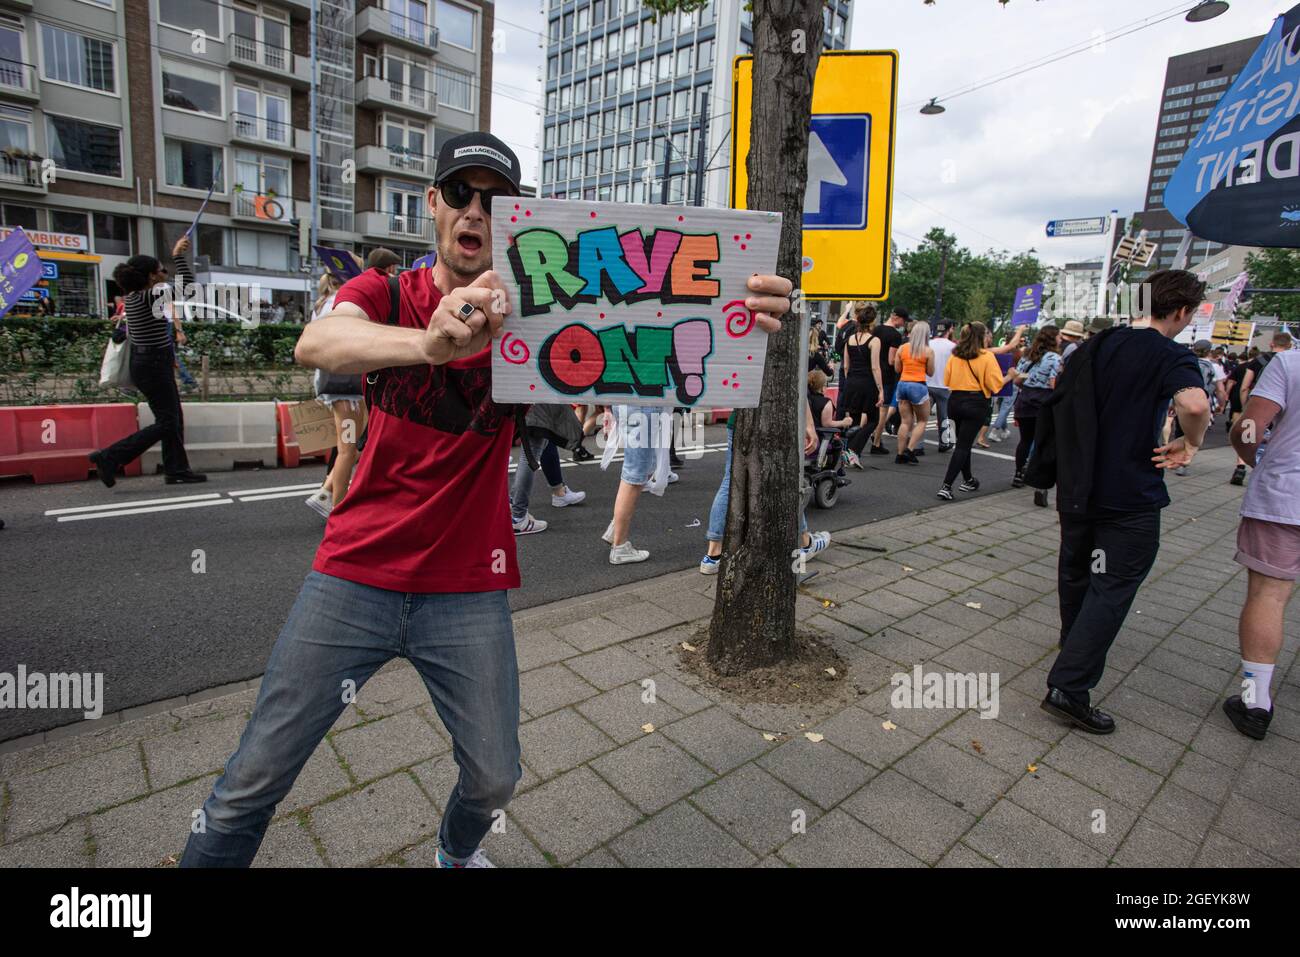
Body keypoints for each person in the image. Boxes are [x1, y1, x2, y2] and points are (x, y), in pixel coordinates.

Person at [179, 130, 791, 869]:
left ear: (512, 218)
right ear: (434, 205)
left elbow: (647, 329)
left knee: (496, 774)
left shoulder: (536, 317)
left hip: (465, 588)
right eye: (461, 193)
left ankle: (454, 853)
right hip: (354, 573)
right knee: (252, 781)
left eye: (495, 199)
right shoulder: (386, 292)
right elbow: (319, 342)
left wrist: (738, 315)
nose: (476, 209)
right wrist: (426, 344)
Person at [1040, 269, 1211, 735]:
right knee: (1112, 584)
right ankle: (1070, 685)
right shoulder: (1170, 354)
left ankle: (1073, 648)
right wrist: (1189, 443)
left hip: (1078, 486)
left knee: (1077, 573)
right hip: (1129, 492)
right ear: (1181, 311)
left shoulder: (1098, 344)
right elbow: (1194, 405)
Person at [1223, 344, 1300, 739]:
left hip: (1287, 497)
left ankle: (1255, 702)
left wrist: (1256, 459)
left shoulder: (1290, 363)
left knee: (1269, 595)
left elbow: (1248, 429)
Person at [89, 236, 207, 487]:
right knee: (167, 421)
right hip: (153, 365)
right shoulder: (149, 297)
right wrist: (177, 256)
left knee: (173, 416)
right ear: (152, 277)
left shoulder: (133, 297)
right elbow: (187, 286)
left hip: (149, 363)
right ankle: (110, 457)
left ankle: (177, 469)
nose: (164, 272)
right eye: (161, 269)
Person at [303, 268, 368, 518]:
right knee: (347, 450)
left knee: (353, 445)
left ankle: (326, 493)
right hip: (345, 383)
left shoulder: (322, 304)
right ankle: (338, 509)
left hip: (334, 382)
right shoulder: (342, 303)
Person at [937, 321, 1003, 500]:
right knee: (963, 446)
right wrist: (1010, 377)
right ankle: (946, 485)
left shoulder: (955, 355)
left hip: (955, 400)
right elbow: (995, 385)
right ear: (981, 336)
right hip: (976, 401)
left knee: (962, 444)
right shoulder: (986, 357)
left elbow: (947, 380)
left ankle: (968, 479)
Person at [510, 403, 586, 534]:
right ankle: (518, 516)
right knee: (529, 456)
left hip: (529, 404)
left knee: (534, 449)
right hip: (538, 405)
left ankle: (515, 506)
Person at [1229, 332, 1292, 486]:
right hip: (1283, 415)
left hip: (1259, 406)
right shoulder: (1292, 363)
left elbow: (1244, 387)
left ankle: (1241, 465)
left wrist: (1246, 407)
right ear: (1289, 345)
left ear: (1272, 343)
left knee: (1249, 432)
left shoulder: (1259, 360)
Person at [1005, 325, 1061, 495]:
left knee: (1025, 440)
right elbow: (1054, 384)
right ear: (1053, 339)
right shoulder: (1055, 358)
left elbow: (1016, 381)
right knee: (1042, 441)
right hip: (1043, 402)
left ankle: (1018, 474)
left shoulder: (1027, 355)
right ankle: (1036, 477)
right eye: (1058, 337)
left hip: (1025, 400)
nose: (1060, 339)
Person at [837, 303, 883, 469]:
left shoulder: (850, 339)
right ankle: (852, 450)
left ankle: (850, 453)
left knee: (855, 419)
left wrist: (850, 381)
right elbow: (875, 367)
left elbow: (846, 365)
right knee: (873, 419)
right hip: (867, 383)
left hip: (852, 382)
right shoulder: (874, 340)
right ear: (872, 321)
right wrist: (881, 389)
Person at [892, 321, 933, 464]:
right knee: (922, 421)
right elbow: (931, 372)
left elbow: (897, 369)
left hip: (902, 384)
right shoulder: (927, 351)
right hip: (918, 386)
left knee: (905, 421)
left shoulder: (902, 348)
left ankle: (899, 454)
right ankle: (910, 450)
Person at [869, 306, 907, 452]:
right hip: (887, 376)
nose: (903, 324)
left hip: (873, 373)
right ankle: (876, 442)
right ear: (896, 317)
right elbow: (891, 360)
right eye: (903, 320)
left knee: (869, 409)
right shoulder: (895, 336)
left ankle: (857, 437)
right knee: (883, 410)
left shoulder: (876, 330)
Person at [984, 325, 1026, 445]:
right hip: (1011, 380)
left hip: (999, 379)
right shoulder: (1018, 353)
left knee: (1001, 405)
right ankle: (995, 430)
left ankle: (1003, 429)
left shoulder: (1000, 350)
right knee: (1005, 408)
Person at [927, 321, 956, 453]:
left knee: (922, 418)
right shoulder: (953, 347)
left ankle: (917, 446)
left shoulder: (928, 343)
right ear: (949, 329)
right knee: (946, 416)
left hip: (927, 382)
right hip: (945, 385)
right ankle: (945, 442)